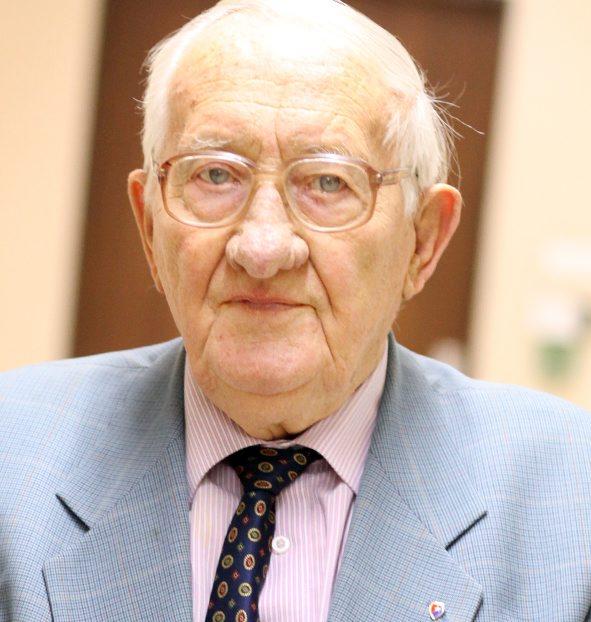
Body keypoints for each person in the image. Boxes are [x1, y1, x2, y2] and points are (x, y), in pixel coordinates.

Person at [1, 0, 591, 620]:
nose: (262, 248)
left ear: (423, 240)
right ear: (150, 225)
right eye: (215, 175)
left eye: (329, 182)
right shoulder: (14, 461)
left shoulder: (570, 501)